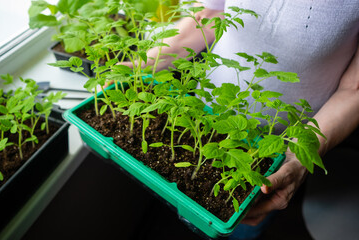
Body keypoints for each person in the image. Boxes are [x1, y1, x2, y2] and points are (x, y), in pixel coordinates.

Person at [119, 1, 359, 239]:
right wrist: (143, 65)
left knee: (240, 223)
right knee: (175, 197)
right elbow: (211, 13)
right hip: (199, 114)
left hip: (277, 147)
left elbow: (354, 89)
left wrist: (299, 157)